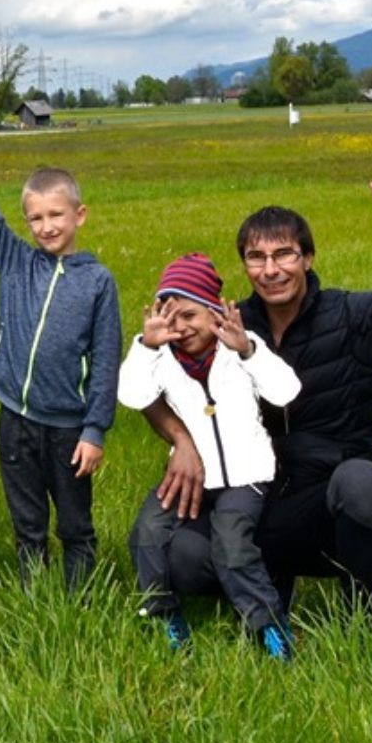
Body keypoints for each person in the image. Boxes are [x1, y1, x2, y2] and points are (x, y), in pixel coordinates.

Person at [145, 148, 372, 619]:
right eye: (256, 258)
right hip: (256, 500)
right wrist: (181, 439)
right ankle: (269, 585)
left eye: (284, 254)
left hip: (331, 504)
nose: (271, 269)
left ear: (308, 258)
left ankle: (362, 616)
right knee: (184, 560)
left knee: (363, 485)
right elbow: (151, 383)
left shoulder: (353, 316)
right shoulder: (227, 327)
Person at [0, 125, 121, 589]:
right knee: (28, 522)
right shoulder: (15, 260)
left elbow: (107, 362)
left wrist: (94, 431)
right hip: (15, 419)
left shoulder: (98, 283)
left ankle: (80, 602)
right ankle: (35, 594)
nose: (47, 227)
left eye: (56, 215)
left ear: (80, 215)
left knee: (74, 525)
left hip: (69, 427)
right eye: (36, 218)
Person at [119, 254, 300, 659]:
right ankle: (163, 613)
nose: (180, 328)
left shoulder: (238, 349)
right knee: (146, 533)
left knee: (232, 544)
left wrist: (250, 350)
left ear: (215, 312)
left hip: (244, 476)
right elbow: (131, 395)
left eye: (189, 315)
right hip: (192, 477)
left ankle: (268, 624)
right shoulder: (162, 358)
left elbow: (286, 391)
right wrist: (147, 347)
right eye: (170, 318)